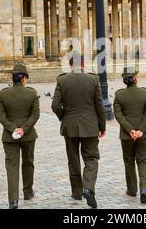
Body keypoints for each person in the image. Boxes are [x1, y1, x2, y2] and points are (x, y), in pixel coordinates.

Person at [51, 54, 106, 209]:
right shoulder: (93, 79)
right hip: (90, 126)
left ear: (69, 65)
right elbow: (99, 106)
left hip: (70, 126)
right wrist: (102, 127)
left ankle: (76, 192)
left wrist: (65, 118)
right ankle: (88, 188)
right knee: (91, 158)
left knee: (73, 159)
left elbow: (55, 106)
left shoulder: (62, 80)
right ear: (83, 64)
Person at [0, 64, 40, 209]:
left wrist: (13, 129)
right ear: (23, 79)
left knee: (12, 167)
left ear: (13, 78)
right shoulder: (32, 94)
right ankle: (28, 192)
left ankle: (13, 200)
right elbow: (35, 115)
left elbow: (0, 116)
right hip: (28, 136)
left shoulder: (3, 94)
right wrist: (24, 129)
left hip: (9, 137)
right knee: (28, 163)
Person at [113, 67, 146, 204]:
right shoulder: (145, 93)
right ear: (135, 79)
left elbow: (119, 116)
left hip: (126, 135)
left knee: (129, 161)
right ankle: (144, 190)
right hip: (144, 134)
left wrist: (130, 130)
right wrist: (141, 130)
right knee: (143, 161)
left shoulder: (119, 95)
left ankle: (132, 189)